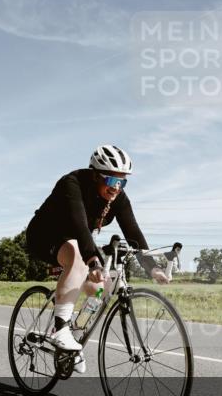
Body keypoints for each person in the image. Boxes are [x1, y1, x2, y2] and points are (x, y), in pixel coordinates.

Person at [25, 144, 167, 373]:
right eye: (111, 180)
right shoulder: (72, 184)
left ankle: (73, 340)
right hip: (45, 235)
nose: (116, 187)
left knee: (101, 288)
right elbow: (80, 226)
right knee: (77, 259)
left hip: (78, 240)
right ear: (94, 175)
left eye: (122, 182)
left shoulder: (118, 198)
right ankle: (60, 329)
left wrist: (152, 268)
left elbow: (133, 233)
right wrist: (93, 259)